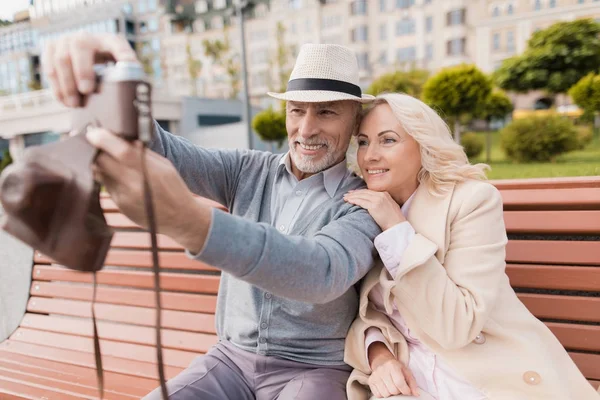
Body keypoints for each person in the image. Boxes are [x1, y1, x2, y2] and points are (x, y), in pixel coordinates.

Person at [42, 33, 382, 399]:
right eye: (297, 110)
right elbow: (166, 152)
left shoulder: (362, 203)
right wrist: (121, 75)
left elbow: (320, 272)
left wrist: (193, 224)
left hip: (314, 370)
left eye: (326, 111)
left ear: (355, 120)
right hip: (230, 362)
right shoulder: (247, 170)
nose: (306, 129)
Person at [342, 93, 600, 400]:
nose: (369, 155)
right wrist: (380, 356)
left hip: (483, 380)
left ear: (424, 145)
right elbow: (366, 313)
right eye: (362, 141)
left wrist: (397, 229)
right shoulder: (364, 212)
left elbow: (455, 326)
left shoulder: (471, 202)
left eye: (388, 140)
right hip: (413, 381)